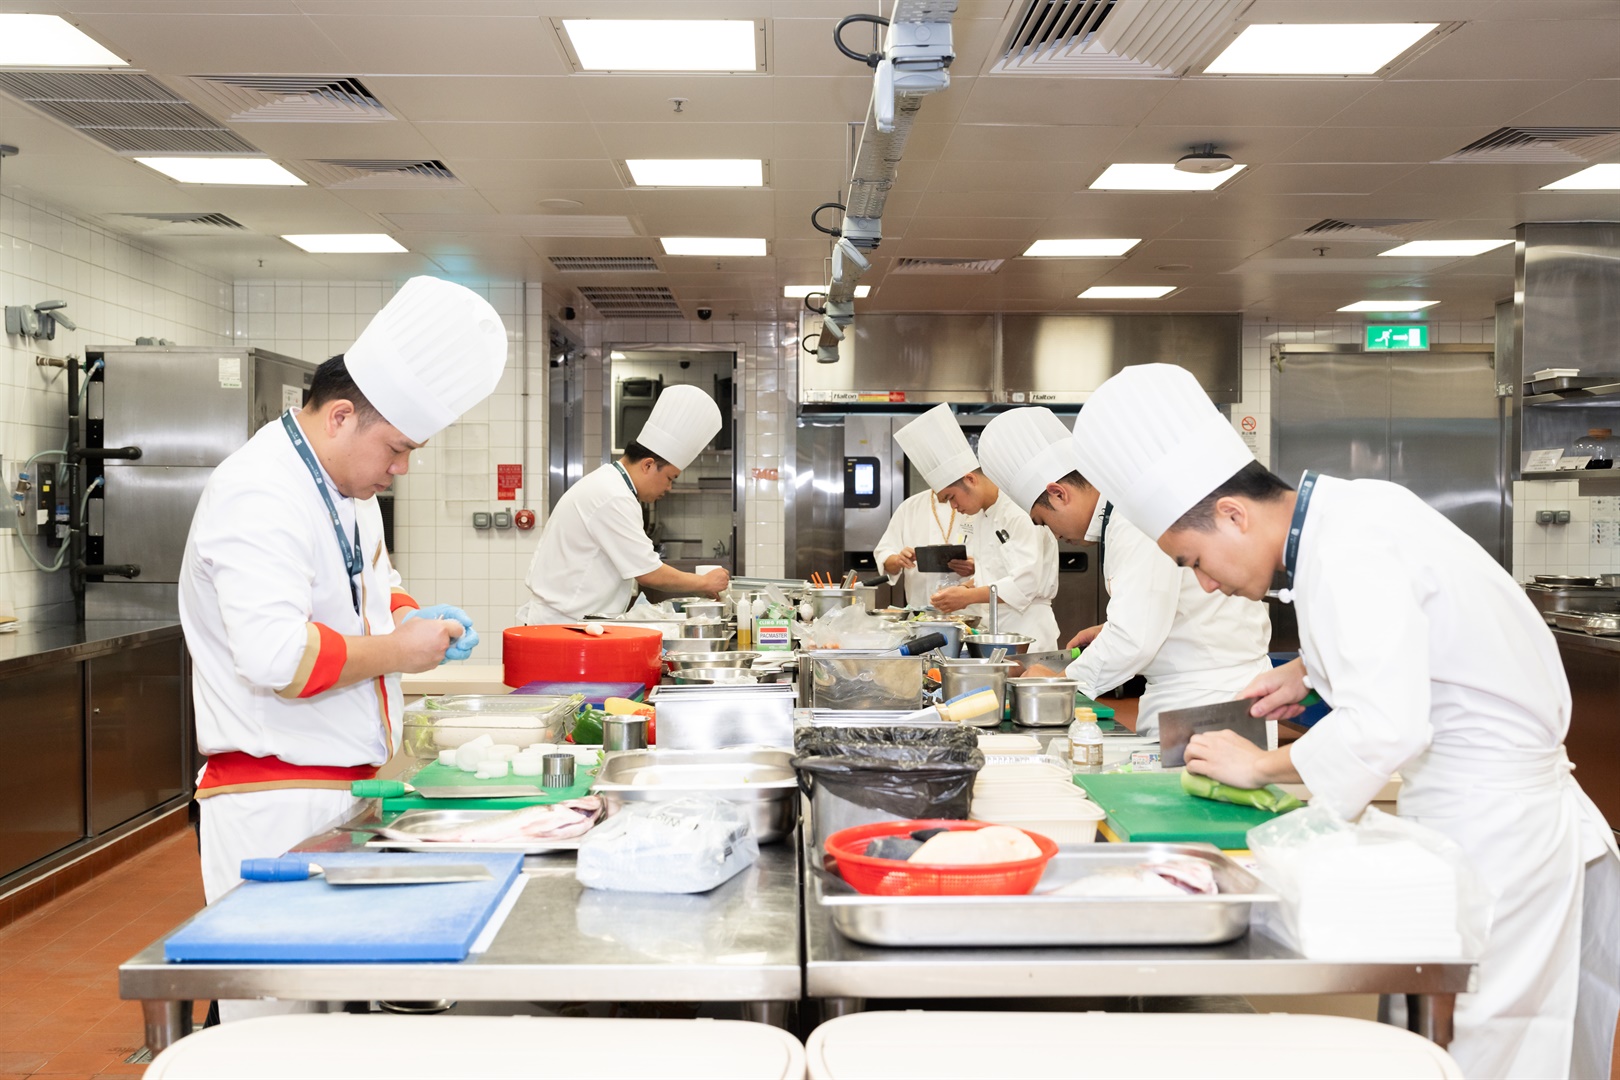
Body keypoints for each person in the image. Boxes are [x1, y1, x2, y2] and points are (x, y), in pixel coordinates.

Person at [1070, 362, 1620, 1079]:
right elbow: (1425, 629)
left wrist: (1259, 765)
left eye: (1195, 560)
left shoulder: (1345, 549)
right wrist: (1309, 671)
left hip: (1500, 831)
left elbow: (1387, 727)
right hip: (1479, 812)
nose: (1205, 581)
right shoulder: (1351, 514)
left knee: (1488, 1045)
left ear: (1234, 515)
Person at [179, 276, 507, 1020]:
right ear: (340, 417)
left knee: (333, 1023)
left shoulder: (345, 491)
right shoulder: (259, 492)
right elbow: (278, 659)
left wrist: (415, 617)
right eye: (397, 448)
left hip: (341, 793)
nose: (401, 468)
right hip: (274, 806)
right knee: (277, 1031)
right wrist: (399, 651)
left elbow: (375, 586)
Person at [977, 406, 1272, 739]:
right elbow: (1173, 607)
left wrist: (1060, 680)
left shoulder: (1132, 518)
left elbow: (1135, 638)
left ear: (1059, 494)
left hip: (1212, 700)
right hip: (1195, 694)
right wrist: (1110, 629)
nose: (1054, 535)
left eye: (1044, 522)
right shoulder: (1125, 512)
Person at [520, 384, 728, 624]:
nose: (669, 488)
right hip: (562, 625)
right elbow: (649, 573)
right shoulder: (614, 496)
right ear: (648, 465)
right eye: (670, 478)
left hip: (575, 621)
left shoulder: (613, 485)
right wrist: (704, 582)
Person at [893, 403, 1060, 651]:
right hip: (994, 630)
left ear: (970, 479)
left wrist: (967, 596)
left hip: (1028, 634)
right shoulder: (980, 515)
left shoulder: (1019, 511)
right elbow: (992, 572)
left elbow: (1026, 583)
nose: (953, 507)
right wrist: (963, 588)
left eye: (951, 497)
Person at [872, 488, 973, 609]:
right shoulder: (910, 506)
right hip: (920, 609)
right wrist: (899, 560)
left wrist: (975, 567)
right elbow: (884, 554)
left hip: (968, 611)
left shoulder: (974, 504)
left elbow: (991, 564)